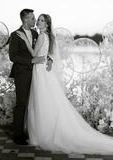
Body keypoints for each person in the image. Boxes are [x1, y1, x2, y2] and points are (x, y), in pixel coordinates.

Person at [17, 13, 113, 155]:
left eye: (42, 20)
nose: (38, 21)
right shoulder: (50, 37)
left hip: (40, 71)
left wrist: (25, 40)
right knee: (46, 101)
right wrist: (46, 59)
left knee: (40, 101)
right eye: (38, 20)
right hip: (44, 71)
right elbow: (49, 56)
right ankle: (46, 130)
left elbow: (34, 55)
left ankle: (40, 134)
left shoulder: (42, 36)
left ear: (47, 24)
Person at [9, 9, 49, 145]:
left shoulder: (35, 33)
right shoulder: (15, 35)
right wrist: (31, 61)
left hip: (37, 73)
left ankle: (31, 131)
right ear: (25, 19)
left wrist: (48, 59)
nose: (35, 21)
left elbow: (41, 49)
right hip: (22, 73)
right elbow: (13, 56)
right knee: (22, 103)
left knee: (34, 102)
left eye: (35, 18)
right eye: (32, 18)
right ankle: (18, 135)